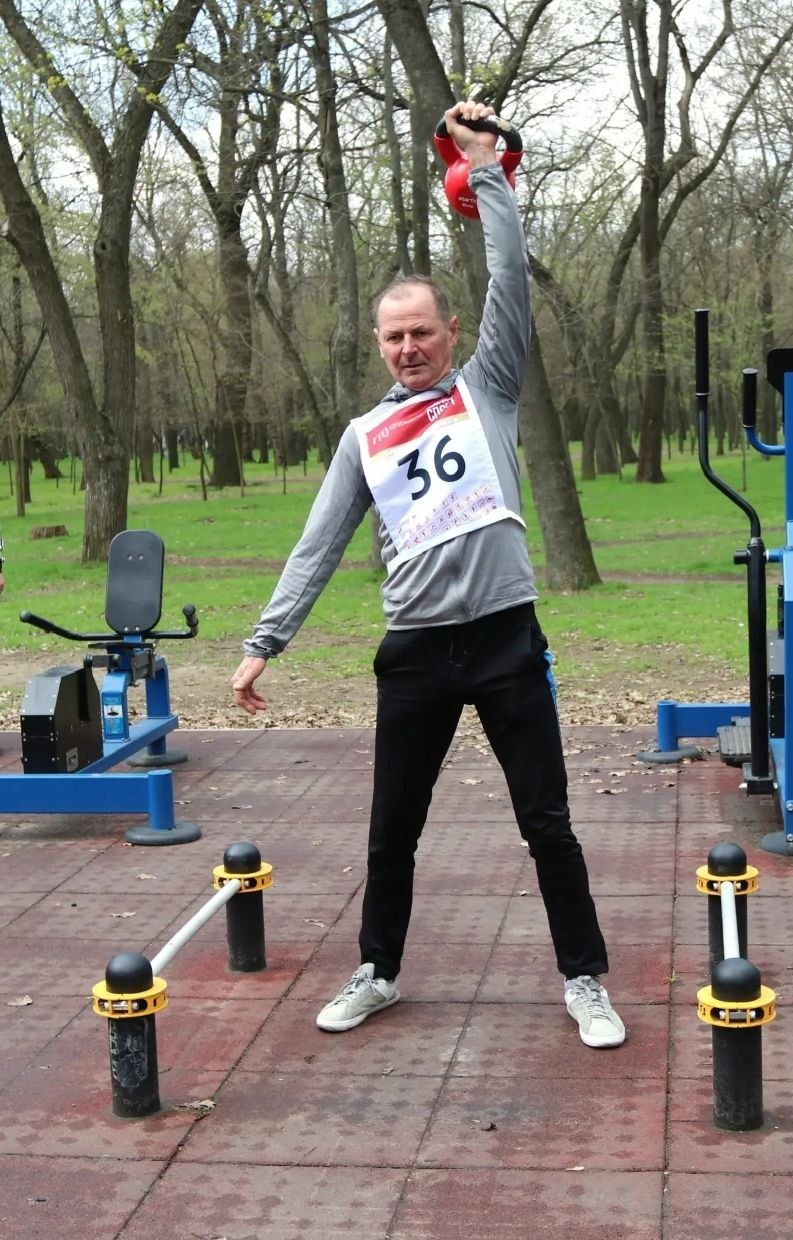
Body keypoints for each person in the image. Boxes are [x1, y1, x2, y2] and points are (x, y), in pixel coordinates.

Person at [230, 102, 624, 1048]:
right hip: (413, 652)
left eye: (422, 332)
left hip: (505, 640)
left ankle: (584, 980)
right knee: (392, 828)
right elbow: (318, 544)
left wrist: (487, 169)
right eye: (393, 337)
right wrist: (264, 642)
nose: (409, 348)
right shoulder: (363, 436)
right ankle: (378, 971)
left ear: (450, 332)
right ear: (379, 345)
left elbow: (509, 274)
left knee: (547, 823)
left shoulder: (488, 388)